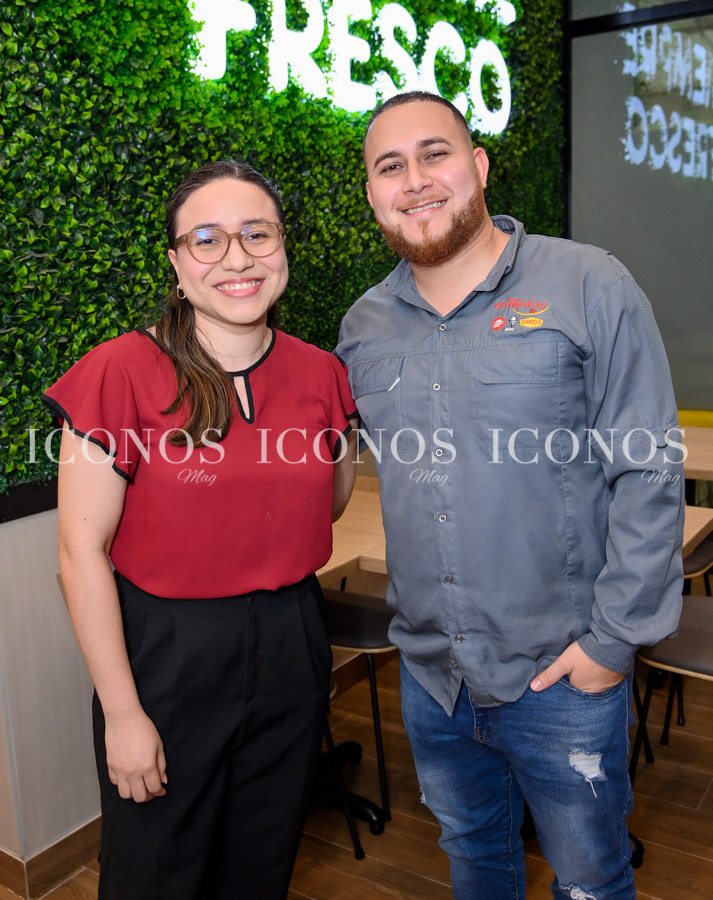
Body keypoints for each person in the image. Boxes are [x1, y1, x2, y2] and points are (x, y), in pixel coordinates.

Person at [336, 91, 684, 899]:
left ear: (479, 165)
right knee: (474, 862)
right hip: (431, 675)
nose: (415, 180)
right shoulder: (363, 326)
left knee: (590, 880)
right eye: (390, 166)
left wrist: (612, 644)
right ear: (372, 193)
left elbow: (647, 469)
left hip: (561, 673)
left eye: (435, 154)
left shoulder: (586, 282)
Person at [44, 160, 358, 900]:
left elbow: (328, 505)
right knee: (155, 871)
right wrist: (123, 714)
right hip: (166, 655)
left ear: (282, 246)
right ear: (177, 264)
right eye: (207, 239)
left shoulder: (322, 373)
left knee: (262, 862)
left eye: (257, 234)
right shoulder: (119, 372)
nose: (237, 258)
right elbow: (80, 554)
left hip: (292, 638)